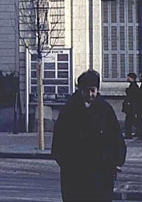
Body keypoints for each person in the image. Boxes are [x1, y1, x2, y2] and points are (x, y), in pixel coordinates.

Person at [52, 70, 127, 202]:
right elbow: (59, 139)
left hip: (101, 172)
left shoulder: (104, 109)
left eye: (93, 90)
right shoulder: (69, 110)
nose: (90, 94)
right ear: (80, 90)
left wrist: (117, 163)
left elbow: (115, 137)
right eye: (86, 90)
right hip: (75, 173)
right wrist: (67, 164)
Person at [122, 72, 142, 138]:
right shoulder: (134, 85)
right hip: (132, 106)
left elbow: (132, 96)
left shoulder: (133, 86)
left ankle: (129, 134)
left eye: (128, 77)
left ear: (132, 78)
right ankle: (139, 131)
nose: (127, 78)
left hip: (131, 106)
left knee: (129, 121)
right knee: (132, 120)